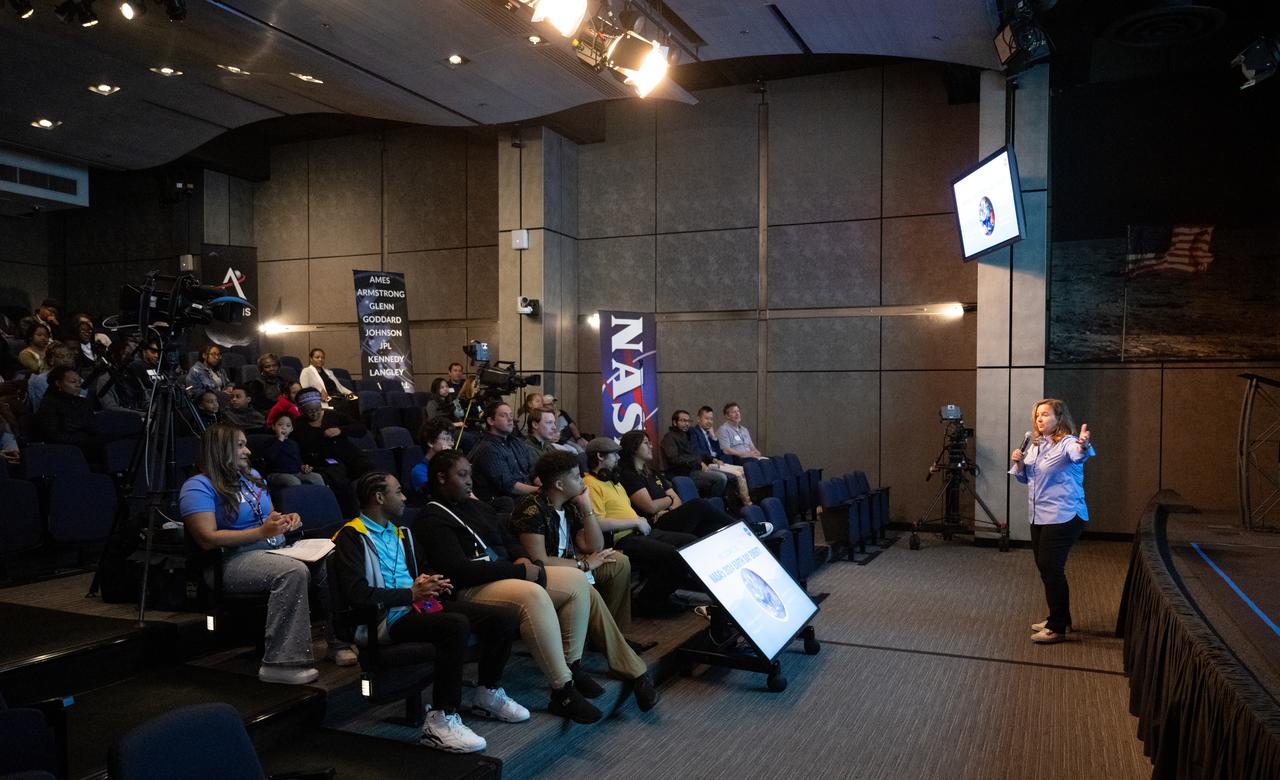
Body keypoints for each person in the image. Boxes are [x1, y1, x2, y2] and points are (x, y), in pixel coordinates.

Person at [415, 450, 657, 721]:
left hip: (504, 575)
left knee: (578, 582)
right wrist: (520, 568)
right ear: (440, 478)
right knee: (534, 593)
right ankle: (562, 690)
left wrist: (518, 558)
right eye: (462, 475)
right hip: (471, 587)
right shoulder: (432, 517)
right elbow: (458, 570)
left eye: (471, 474)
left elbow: (508, 542)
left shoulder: (478, 508)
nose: (470, 481)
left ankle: (573, 667)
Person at [332, 472, 529, 753]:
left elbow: (422, 570)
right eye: (398, 491)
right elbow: (358, 594)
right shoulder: (351, 537)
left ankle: (488, 693)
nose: (404, 497)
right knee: (456, 625)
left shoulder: (402, 534)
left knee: (502, 617)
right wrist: (410, 594)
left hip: (416, 607)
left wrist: (434, 582)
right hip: (381, 620)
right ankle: (440, 720)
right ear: (378, 497)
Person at [179, 423, 352, 685]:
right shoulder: (198, 486)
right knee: (293, 571)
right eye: (239, 445)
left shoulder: (251, 477)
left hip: (273, 550)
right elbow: (207, 538)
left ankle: (338, 643)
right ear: (219, 449)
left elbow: (269, 516)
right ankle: (281, 662)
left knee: (330, 558)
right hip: (229, 562)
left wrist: (285, 520)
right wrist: (262, 532)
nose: (247, 450)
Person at [511, 451, 635, 631]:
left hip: (572, 562)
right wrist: (583, 564)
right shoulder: (531, 509)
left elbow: (593, 545)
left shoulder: (570, 505)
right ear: (560, 484)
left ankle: (613, 632)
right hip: (550, 574)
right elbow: (541, 561)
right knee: (579, 578)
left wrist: (586, 507)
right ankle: (607, 637)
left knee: (620, 562)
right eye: (577, 477)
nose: (583, 481)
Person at [1009, 398, 1096, 645]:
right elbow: (1027, 481)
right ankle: (1060, 617)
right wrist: (1019, 462)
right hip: (1039, 515)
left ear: (1059, 418)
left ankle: (1057, 627)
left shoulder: (1068, 443)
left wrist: (1084, 445)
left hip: (1064, 515)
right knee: (1045, 567)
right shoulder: (1036, 446)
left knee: (1051, 568)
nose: (1039, 419)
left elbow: (1079, 455)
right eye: (1037, 415)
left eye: (1045, 415)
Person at [583, 437, 696, 617]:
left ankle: (660, 595)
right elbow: (597, 523)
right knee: (674, 556)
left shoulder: (614, 480)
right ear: (600, 456)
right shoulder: (590, 483)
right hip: (621, 540)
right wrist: (636, 521)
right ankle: (648, 603)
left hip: (640, 531)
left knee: (691, 543)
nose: (619, 458)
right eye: (614, 455)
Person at [618, 430, 764, 538]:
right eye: (645, 443)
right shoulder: (629, 476)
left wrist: (667, 508)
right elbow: (650, 507)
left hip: (667, 516)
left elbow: (677, 500)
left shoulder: (653, 473)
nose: (651, 446)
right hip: (654, 525)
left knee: (712, 527)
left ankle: (745, 536)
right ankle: (745, 528)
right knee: (698, 504)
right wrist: (668, 500)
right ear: (633, 448)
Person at [292, 388, 371, 517]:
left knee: (372, 474)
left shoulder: (334, 415)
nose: (315, 413)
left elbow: (361, 429)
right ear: (302, 410)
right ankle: (349, 518)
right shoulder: (298, 425)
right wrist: (302, 464)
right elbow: (295, 449)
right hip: (324, 462)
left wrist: (340, 430)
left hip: (349, 457)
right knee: (339, 482)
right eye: (310, 411)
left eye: (317, 408)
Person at [467, 402, 536, 503]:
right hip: (505, 503)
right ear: (491, 421)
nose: (510, 419)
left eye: (511, 415)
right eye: (504, 416)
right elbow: (509, 486)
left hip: (527, 496)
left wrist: (546, 486)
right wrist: (540, 491)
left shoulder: (517, 442)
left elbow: (532, 471)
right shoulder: (488, 448)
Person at [36, 366, 105, 465]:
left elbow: (93, 426)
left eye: (79, 382)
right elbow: (53, 435)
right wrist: (82, 437)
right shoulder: (49, 404)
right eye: (73, 382)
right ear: (58, 383)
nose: (78, 385)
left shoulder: (82, 402)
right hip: (65, 450)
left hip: (88, 444)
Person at [661, 409, 731, 501]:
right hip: (683, 473)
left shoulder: (689, 434)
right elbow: (674, 459)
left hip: (695, 469)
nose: (686, 423)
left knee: (729, 477)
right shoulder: (669, 437)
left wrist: (712, 459)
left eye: (688, 421)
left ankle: (712, 503)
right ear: (674, 422)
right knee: (721, 478)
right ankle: (709, 504)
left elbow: (698, 452)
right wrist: (697, 461)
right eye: (683, 421)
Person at [260, 414, 325, 488]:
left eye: (288, 426)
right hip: (276, 473)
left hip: (295, 472)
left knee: (316, 477)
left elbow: (297, 460)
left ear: (291, 429)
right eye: (280, 425)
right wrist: (280, 440)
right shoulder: (270, 442)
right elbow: (269, 457)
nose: (284, 428)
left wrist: (302, 467)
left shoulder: (293, 443)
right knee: (294, 481)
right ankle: (299, 498)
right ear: (273, 427)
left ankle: (322, 497)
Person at [410, 416, 457, 498]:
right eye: (446, 439)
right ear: (431, 442)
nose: (452, 444)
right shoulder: (419, 471)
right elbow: (438, 495)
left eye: (452, 439)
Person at [299, 348, 357, 414]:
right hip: (326, 399)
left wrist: (350, 393)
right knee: (343, 403)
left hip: (338, 395)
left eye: (322, 358)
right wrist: (319, 392)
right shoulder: (306, 371)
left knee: (355, 399)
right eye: (317, 357)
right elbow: (305, 390)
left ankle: (356, 423)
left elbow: (340, 387)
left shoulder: (329, 372)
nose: (320, 359)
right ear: (311, 359)